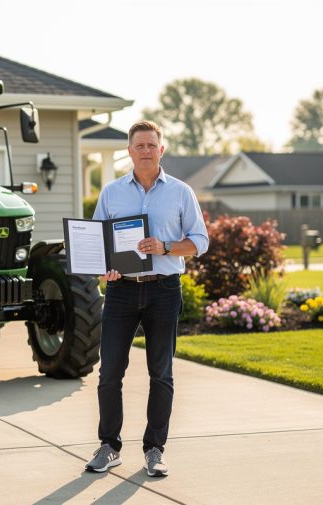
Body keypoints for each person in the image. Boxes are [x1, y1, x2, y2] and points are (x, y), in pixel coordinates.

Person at [85, 120, 209, 477]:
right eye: (139, 145)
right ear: (129, 151)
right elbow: (98, 244)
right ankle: (109, 446)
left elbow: (200, 241)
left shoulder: (182, 192)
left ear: (161, 149)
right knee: (109, 372)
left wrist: (166, 246)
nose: (145, 151)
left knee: (162, 373)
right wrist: (105, 268)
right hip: (121, 290)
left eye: (151, 145)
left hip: (164, 289)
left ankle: (155, 449)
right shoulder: (111, 192)